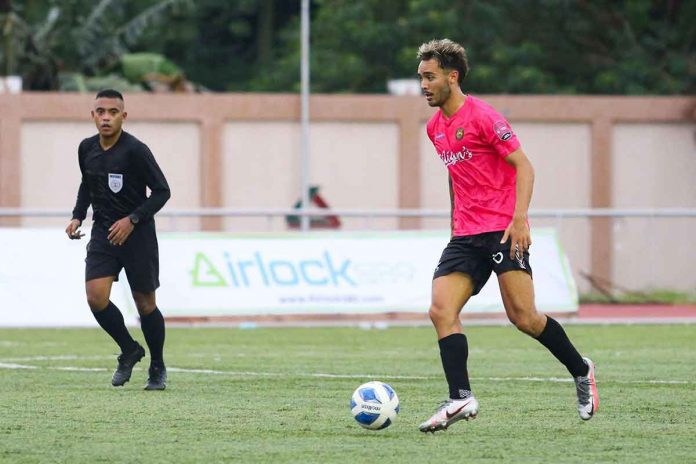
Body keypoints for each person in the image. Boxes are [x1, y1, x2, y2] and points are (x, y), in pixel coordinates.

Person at [415, 39, 599, 432]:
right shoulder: (435, 128)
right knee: (440, 310)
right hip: (465, 235)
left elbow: (525, 166)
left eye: (430, 77)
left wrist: (519, 219)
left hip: (502, 228)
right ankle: (460, 397)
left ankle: (581, 369)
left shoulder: (484, 117)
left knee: (525, 318)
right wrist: (454, 220)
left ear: (453, 76)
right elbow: (456, 174)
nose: (424, 85)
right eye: (421, 78)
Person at [65, 89, 171, 390]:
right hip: (103, 233)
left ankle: (157, 366)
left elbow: (162, 191)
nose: (106, 117)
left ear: (123, 116)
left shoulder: (136, 150)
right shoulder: (86, 148)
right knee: (95, 297)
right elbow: (87, 183)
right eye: (101, 111)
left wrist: (133, 219)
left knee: (145, 304)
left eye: (113, 112)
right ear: (93, 116)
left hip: (138, 236)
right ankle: (129, 350)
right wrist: (77, 214)